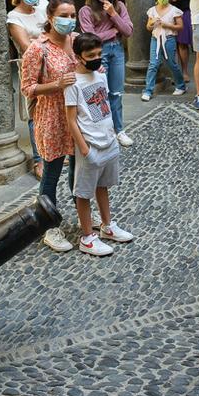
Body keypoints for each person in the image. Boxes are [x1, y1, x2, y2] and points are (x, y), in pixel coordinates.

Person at [21, 0, 83, 253]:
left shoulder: (76, 41)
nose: (69, 20)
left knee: (79, 170)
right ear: (50, 17)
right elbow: (27, 87)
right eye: (64, 15)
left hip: (78, 116)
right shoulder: (38, 48)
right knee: (52, 172)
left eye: (72, 15)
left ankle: (84, 214)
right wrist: (56, 85)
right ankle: (48, 226)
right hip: (52, 117)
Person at [65, 32, 135, 256]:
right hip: (90, 145)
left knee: (102, 185)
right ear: (78, 56)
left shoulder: (101, 76)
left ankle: (107, 225)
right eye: (91, 55)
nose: (96, 58)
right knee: (84, 193)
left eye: (99, 54)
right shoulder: (72, 83)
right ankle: (87, 237)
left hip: (108, 139)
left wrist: (113, 133)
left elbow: (104, 105)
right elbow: (71, 119)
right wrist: (84, 148)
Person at [78, 0, 134, 147]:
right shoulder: (85, 11)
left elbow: (128, 31)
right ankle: (102, 131)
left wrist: (113, 15)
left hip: (116, 51)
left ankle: (119, 130)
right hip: (98, 53)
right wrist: (112, 31)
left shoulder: (119, 6)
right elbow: (90, 39)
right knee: (99, 94)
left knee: (116, 94)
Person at [8, 0, 46, 177]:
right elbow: (26, 46)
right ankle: (38, 160)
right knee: (35, 113)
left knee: (53, 108)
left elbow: (53, 33)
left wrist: (38, 39)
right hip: (30, 67)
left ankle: (53, 150)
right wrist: (43, 40)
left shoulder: (41, 12)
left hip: (51, 64)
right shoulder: (14, 17)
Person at [142, 0, 186, 101]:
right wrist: (152, 24)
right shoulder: (152, 11)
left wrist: (166, 25)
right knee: (153, 64)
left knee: (171, 63)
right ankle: (148, 90)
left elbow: (180, 27)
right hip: (155, 39)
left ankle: (180, 85)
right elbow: (148, 27)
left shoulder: (174, 10)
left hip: (169, 39)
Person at [158, 0, 192, 89]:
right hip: (167, 12)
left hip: (183, 10)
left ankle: (184, 72)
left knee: (182, 43)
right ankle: (175, 72)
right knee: (170, 44)